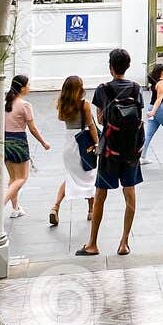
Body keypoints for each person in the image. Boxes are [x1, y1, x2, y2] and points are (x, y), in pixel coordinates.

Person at [76, 48, 144, 258]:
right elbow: (138, 115)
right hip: (131, 151)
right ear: (127, 66)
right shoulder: (135, 87)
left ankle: (93, 243)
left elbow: (100, 119)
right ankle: (124, 242)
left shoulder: (102, 89)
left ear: (111, 67)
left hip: (109, 151)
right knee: (130, 194)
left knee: (100, 196)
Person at [50, 74, 98, 228]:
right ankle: (91, 210)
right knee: (89, 176)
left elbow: (62, 119)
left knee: (71, 177)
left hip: (68, 143)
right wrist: (97, 143)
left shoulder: (62, 104)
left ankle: (55, 206)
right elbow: (90, 125)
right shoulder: (84, 104)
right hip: (82, 142)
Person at [3, 75, 50, 218]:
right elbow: (33, 128)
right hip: (18, 141)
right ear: (22, 88)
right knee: (21, 178)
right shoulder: (25, 105)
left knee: (13, 178)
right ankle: (2, 203)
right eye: (28, 85)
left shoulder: (5, 102)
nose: (29, 87)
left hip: (5, 140)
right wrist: (43, 142)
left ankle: (15, 208)